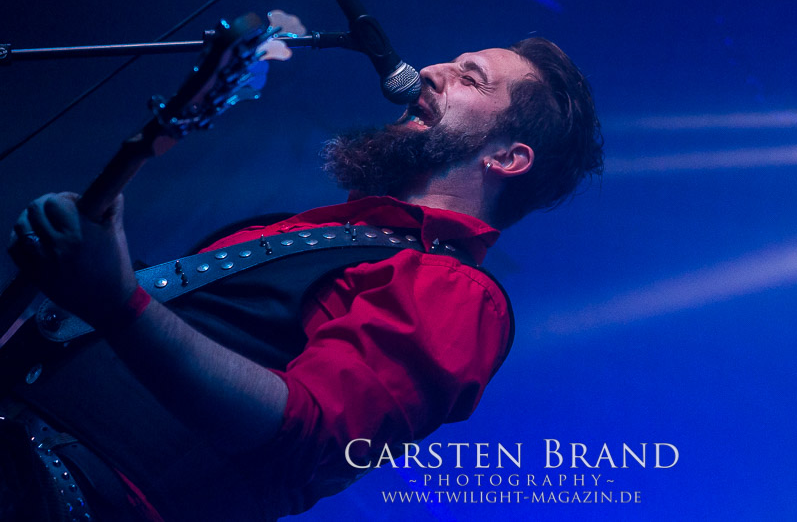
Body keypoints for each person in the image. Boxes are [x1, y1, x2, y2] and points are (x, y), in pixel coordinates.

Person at [4, 37, 603, 521]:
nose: (429, 72)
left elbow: (309, 437)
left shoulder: (456, 291)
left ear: (507, 158)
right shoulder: (307, 231)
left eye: (470, 78)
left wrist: (117, 301)